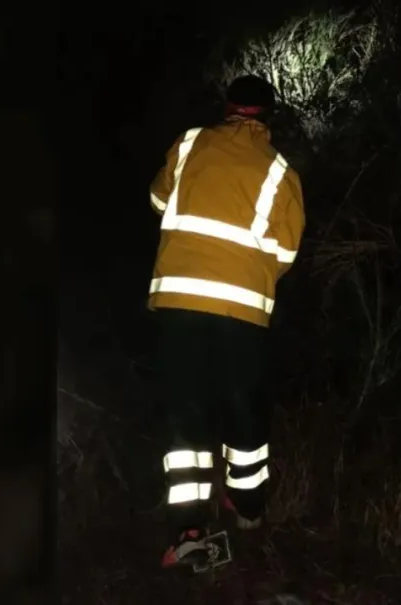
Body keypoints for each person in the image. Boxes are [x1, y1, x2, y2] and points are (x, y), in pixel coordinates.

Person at [147, 74, 305, 569]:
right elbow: (285, 251)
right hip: (242, 308)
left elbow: (158, 201)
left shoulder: (190, 142)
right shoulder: (281, 172)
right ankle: (248, 510)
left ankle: (189, 529)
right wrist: (250, 272)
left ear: (228, 107)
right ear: (269, 115)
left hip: (178, 300)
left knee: (185, 413)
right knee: (243, 406)